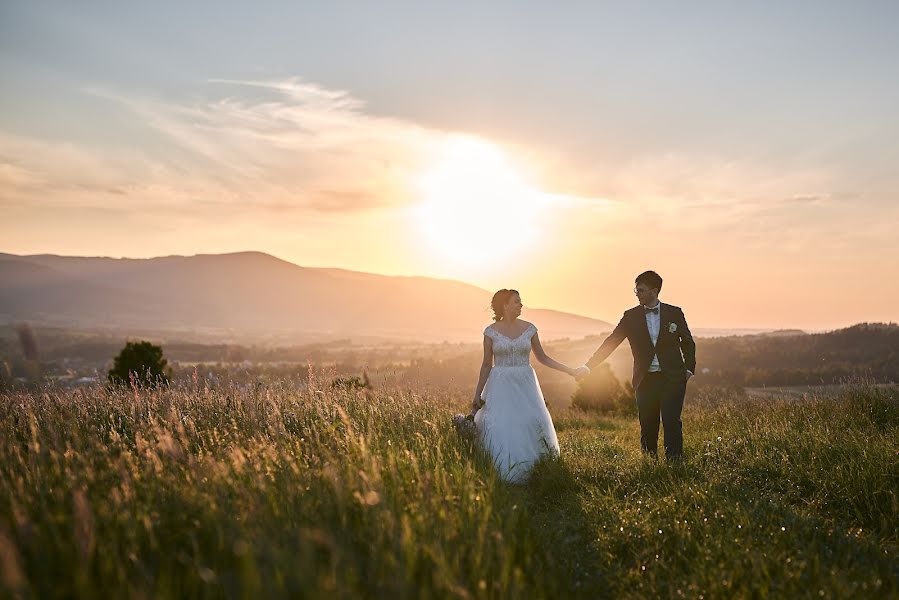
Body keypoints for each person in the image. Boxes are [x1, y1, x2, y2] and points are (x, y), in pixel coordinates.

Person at [577, 271, 696, 460]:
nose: (637, 293)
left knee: (672, 422)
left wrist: (689, 369)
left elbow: (688, 342)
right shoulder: (630, 316)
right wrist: (589, 366)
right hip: (645, 379)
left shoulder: (675, 313)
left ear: (654, 291)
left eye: (641, 290)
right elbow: (611, 342)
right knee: (648, 424)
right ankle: (649, 463)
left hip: (673, 378)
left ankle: (675, 465)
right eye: (636, 290)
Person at [472, 289, 583, 483]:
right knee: (501, 424)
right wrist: (478, 394)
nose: (521, 305)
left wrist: (569, 370)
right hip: (500, 384)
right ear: (504, 305)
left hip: (525, 383)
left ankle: (536, 468)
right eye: (516, 302)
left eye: (520, 302)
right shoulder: (490, 331)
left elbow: (542, 357)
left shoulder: (530, 328)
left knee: (531, 420)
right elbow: (486, 364)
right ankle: (501, 470)